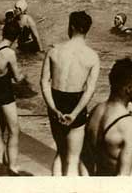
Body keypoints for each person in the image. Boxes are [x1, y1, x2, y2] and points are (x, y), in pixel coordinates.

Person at [40, 10, 99, 176]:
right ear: (87, 29)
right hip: (77, 102)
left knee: (60, 152)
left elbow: (44, 82)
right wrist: (74, 113)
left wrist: (53, 109)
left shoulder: (54, 51)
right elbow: (90, 90)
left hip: (56, 98)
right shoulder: (92, 57)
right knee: (73, 158)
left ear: (71, 27)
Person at [83, 58, 132, 176]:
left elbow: (86, 161)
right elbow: (123, 176)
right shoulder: (129, 124)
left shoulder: (96, 111)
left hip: (99, 179)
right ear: (129, 88)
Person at [0, 18, 28, 175]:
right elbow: (17, 78)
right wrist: (24, 76)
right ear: (16, 37)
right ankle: (13, 165)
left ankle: (1, 160)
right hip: (5, 94)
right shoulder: (9, 53)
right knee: (14, 130)